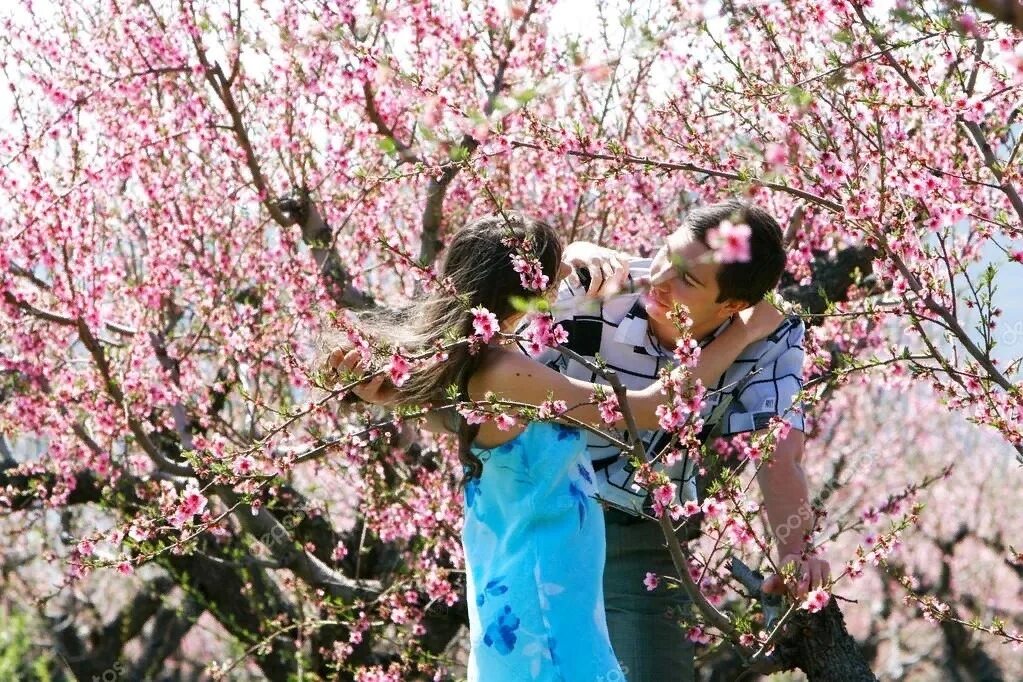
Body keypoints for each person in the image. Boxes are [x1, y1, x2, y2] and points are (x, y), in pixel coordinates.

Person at [325, 211, 787, 681]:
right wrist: (743, 332)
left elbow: (432, 405)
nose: (566, 280)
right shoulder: (507, 372)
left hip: (523, 574)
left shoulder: (472, 366)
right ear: (529, 286)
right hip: (544, 588)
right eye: (556, 272)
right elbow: (648, 408)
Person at [535, 198, 830, 682]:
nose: (659, 279)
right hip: (544, 514)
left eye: (687, 281)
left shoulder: (770, 334)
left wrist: (795, 551)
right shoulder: (594, 285)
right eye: (664, 255)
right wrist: (565, 257)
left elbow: (779, 449)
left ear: (734, 305)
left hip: (639, 535)